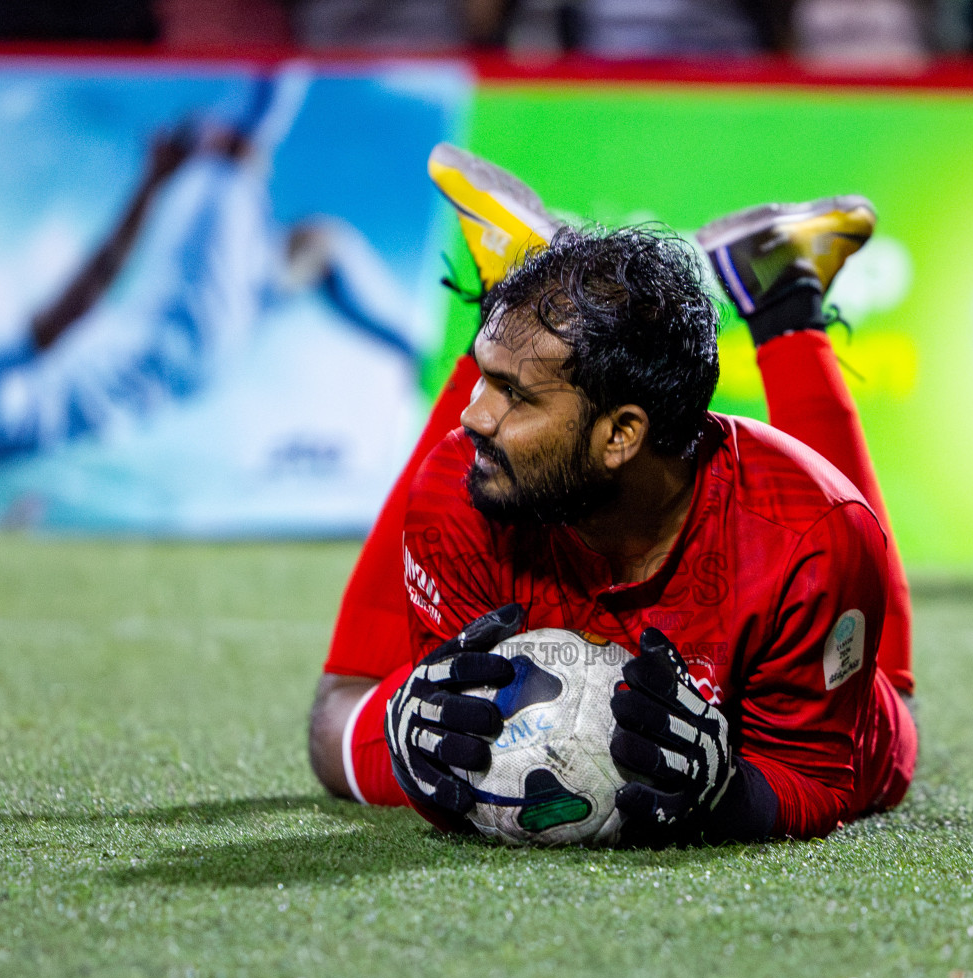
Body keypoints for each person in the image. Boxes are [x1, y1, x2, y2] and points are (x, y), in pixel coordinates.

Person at [308, 143, 916, 843]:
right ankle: (523, 281)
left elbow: (816, 777)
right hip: (549, 628)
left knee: (893, 707)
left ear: (620, 434)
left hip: (775, 721)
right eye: (483, 375)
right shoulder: (461, 488)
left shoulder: (807, 534)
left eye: (513, 392)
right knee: (341, 734)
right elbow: (420, 716)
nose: (468, 414)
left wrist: (723, 792)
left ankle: (786, 300)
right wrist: (416, 737)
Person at [0, 76, 417, 522]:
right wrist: (150, 185)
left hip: (178, 368)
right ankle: (291, 38)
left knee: (316, 248)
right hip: (170, 336)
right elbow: (62, 316)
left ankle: (417, 355)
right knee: (230, 150)